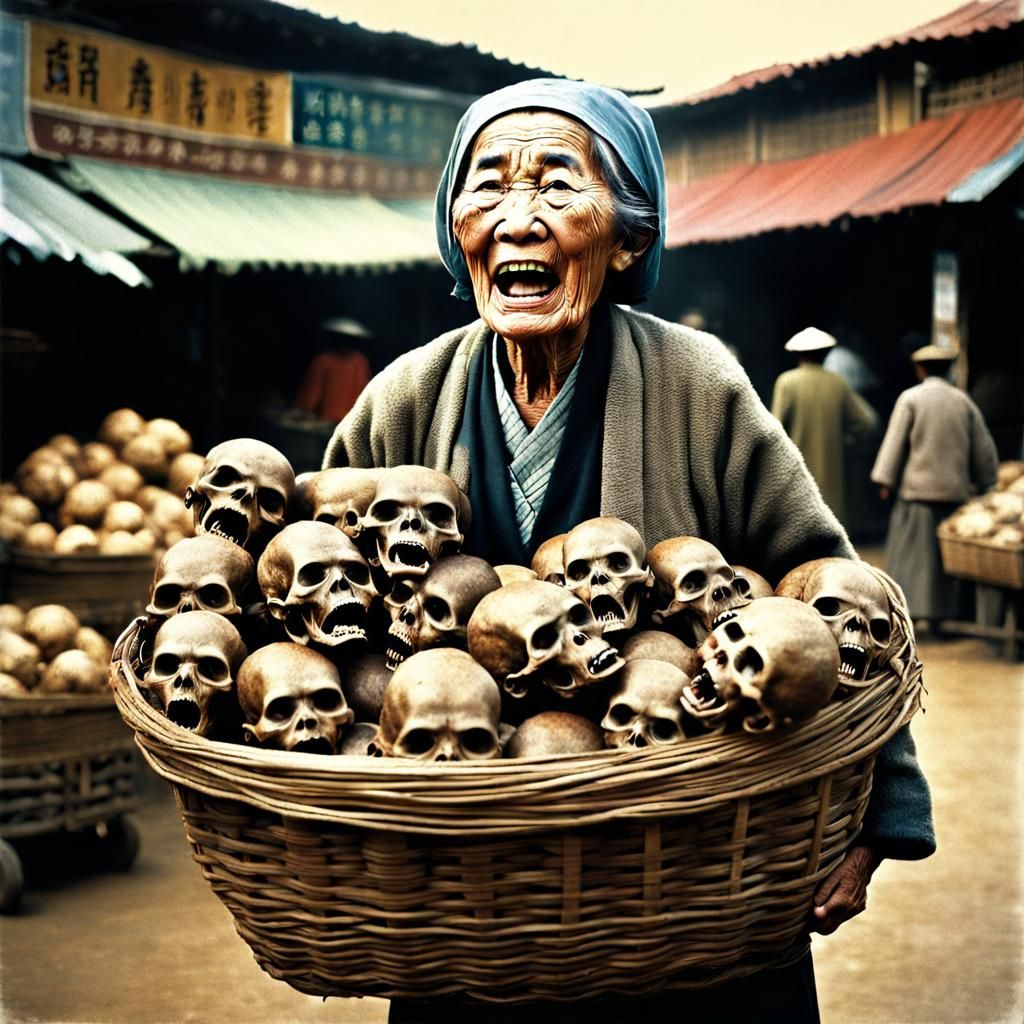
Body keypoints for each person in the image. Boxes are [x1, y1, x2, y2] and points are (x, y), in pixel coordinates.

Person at [323, 78, 934, 1023]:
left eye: (557, 187)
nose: (517, 221)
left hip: (682, 877)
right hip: (466, 897)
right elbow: (307, 615)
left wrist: (881, 807)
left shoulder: (697, 383)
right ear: (455, 229)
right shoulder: (406, 396)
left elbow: (835, 589)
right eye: (487, 188)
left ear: (629, 239)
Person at [871, 342, 999, 633]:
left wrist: (885, 481)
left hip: (916, 494)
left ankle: (911, 616)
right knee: (944, 565)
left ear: (919, 369)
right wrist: (986, 481)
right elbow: (984, 449)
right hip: (953, 494)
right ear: (950, 369)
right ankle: (942, 616)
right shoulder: (963, 401)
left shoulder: (910, 398)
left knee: (913, 561)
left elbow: (894, 443)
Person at [771, 326, 879, 525]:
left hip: (796, 472)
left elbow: (773, 429)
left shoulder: (787, 381)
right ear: (826, 354)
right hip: (833, 473)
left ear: (797, 354)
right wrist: (847, 437)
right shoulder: (837, 382)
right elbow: (868, 422)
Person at [295, 317, 372, 421]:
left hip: (349, 418)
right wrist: (307, 411)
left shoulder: (360, 362)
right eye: (340, 339)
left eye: (347, 341)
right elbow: (313, 390)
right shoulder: (323, 361)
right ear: (334, 340)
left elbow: (362, 389)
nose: (343, 344)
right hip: (323, 418)